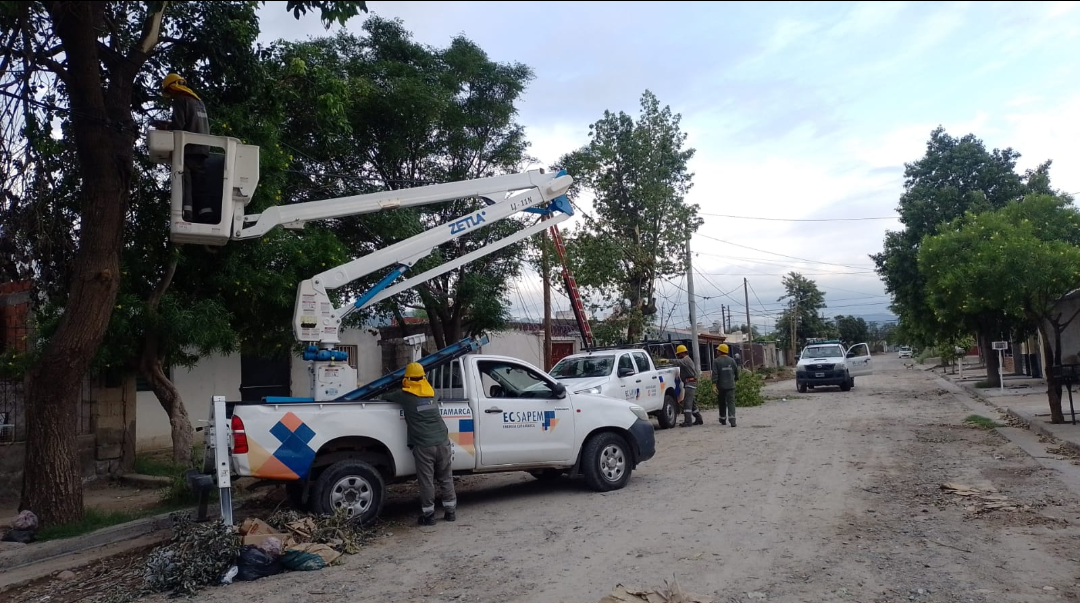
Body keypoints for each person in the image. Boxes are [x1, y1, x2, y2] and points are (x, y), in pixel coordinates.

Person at [382, 362, 457, 525]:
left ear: (407, 379)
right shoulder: (433, 393)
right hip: (443, 441)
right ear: (424, 377)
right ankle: (450, 512)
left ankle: (429, 516)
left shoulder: (404, 396)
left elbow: (385, 395)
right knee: (446, 477)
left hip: (424, 445)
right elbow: (435, 397)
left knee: (427, 481)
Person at [155, 73, 211, 222]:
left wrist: (166, 127)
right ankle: (205, 213)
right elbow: (193, 123)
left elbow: (179, 126)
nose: (171, 95)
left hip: (188, 148)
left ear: (172, 87)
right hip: (203, 148)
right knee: (200, 181)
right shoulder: (198, 101)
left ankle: (187, 213)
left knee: (185, 180)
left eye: (169, 91)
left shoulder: (180, 100)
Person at [672, 344, 703, 427]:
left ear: (682, 353)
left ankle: (688, 421)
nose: (678, 356)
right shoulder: (687, 360)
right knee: (692, 403)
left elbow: (678, 362)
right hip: (689, 383)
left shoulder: (686, 360)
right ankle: (698, 418)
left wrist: (668, 361)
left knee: (687, 402)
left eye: (678, 354)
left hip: (690, 383)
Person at [713, 343, 740, 427]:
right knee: (731, 402)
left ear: (720, 351)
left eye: (718, 350)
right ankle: (732, 420)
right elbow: (736, 371)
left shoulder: (716, 361)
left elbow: (715, 374)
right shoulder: (732, 360)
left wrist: (714, 384)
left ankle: (723, 419)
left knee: (722, 402)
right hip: (731, 385)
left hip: (720, 386)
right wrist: (736, 379)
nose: (717, 351)